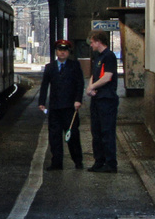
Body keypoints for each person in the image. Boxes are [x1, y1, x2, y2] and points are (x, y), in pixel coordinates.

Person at [39, 39, 84, 170]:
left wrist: (78, 100)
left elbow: (80, 84)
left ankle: (78, 161)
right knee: (54, 137)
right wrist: (42, 102)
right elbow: (44, 85)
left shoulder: (75, 66)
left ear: (68, 52)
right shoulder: (50, 67)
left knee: (73, 136)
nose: (62, 53)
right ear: (56, 52)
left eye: (65, 50)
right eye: (60, 50)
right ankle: (56, 163)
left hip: (70, 107)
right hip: (54, 108)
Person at [86, 29, 119, 173]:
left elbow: (107, 76)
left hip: (107, 99)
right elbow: (94, 75)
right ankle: (99, 160)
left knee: (107, 132)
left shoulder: (109, 56)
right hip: (97, 98)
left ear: (98, 41)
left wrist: (92, 87)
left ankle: (111, 163)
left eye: (92, 42)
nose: (91, 45)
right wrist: (90, 87)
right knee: (96, 132)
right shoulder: (98, 57)